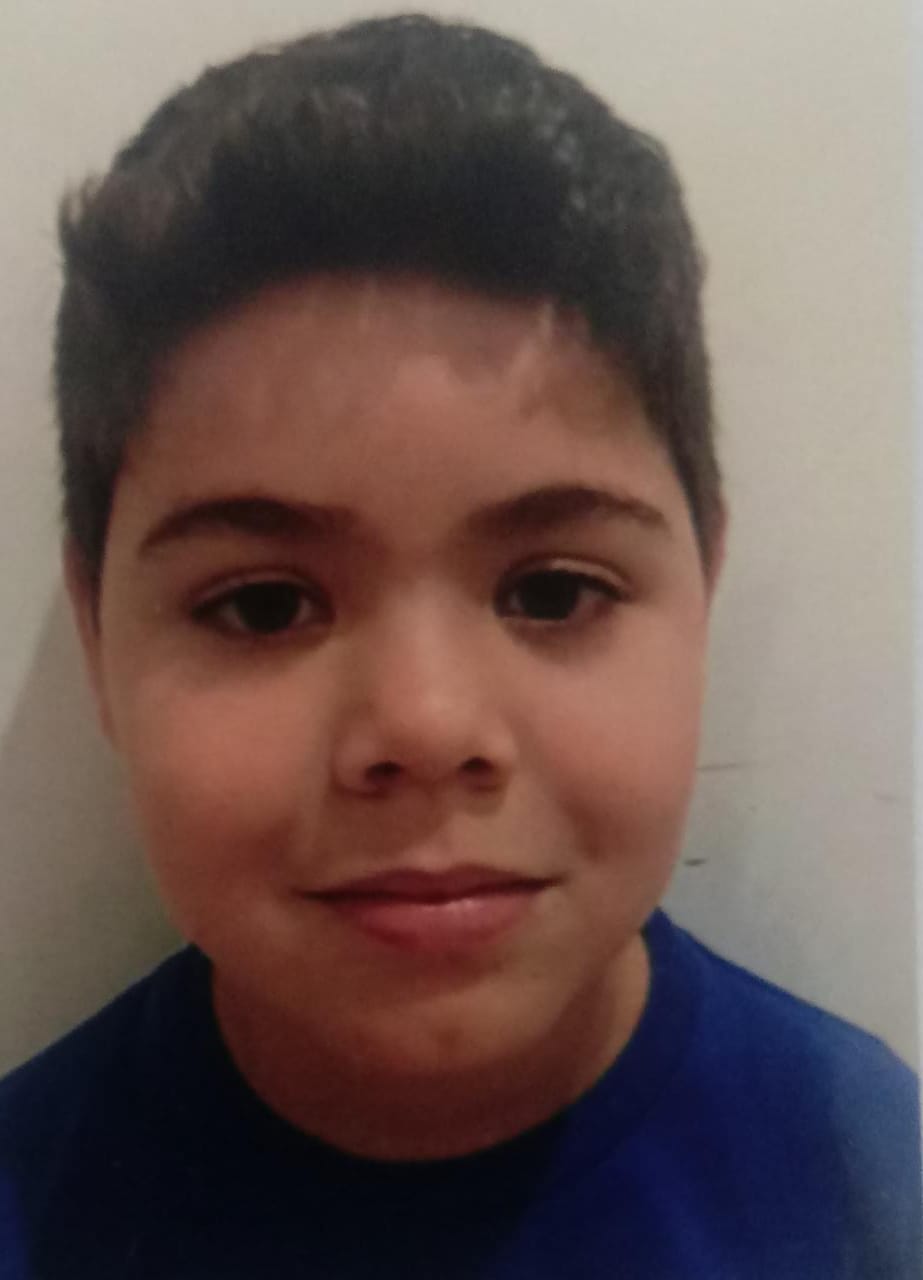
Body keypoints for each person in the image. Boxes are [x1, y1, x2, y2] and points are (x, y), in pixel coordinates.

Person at [0, 13, 918, 1278]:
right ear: (99, 631)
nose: (426, 726)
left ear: (700, 587)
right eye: (263, 606)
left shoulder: (874, 1191)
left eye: (552, 590)